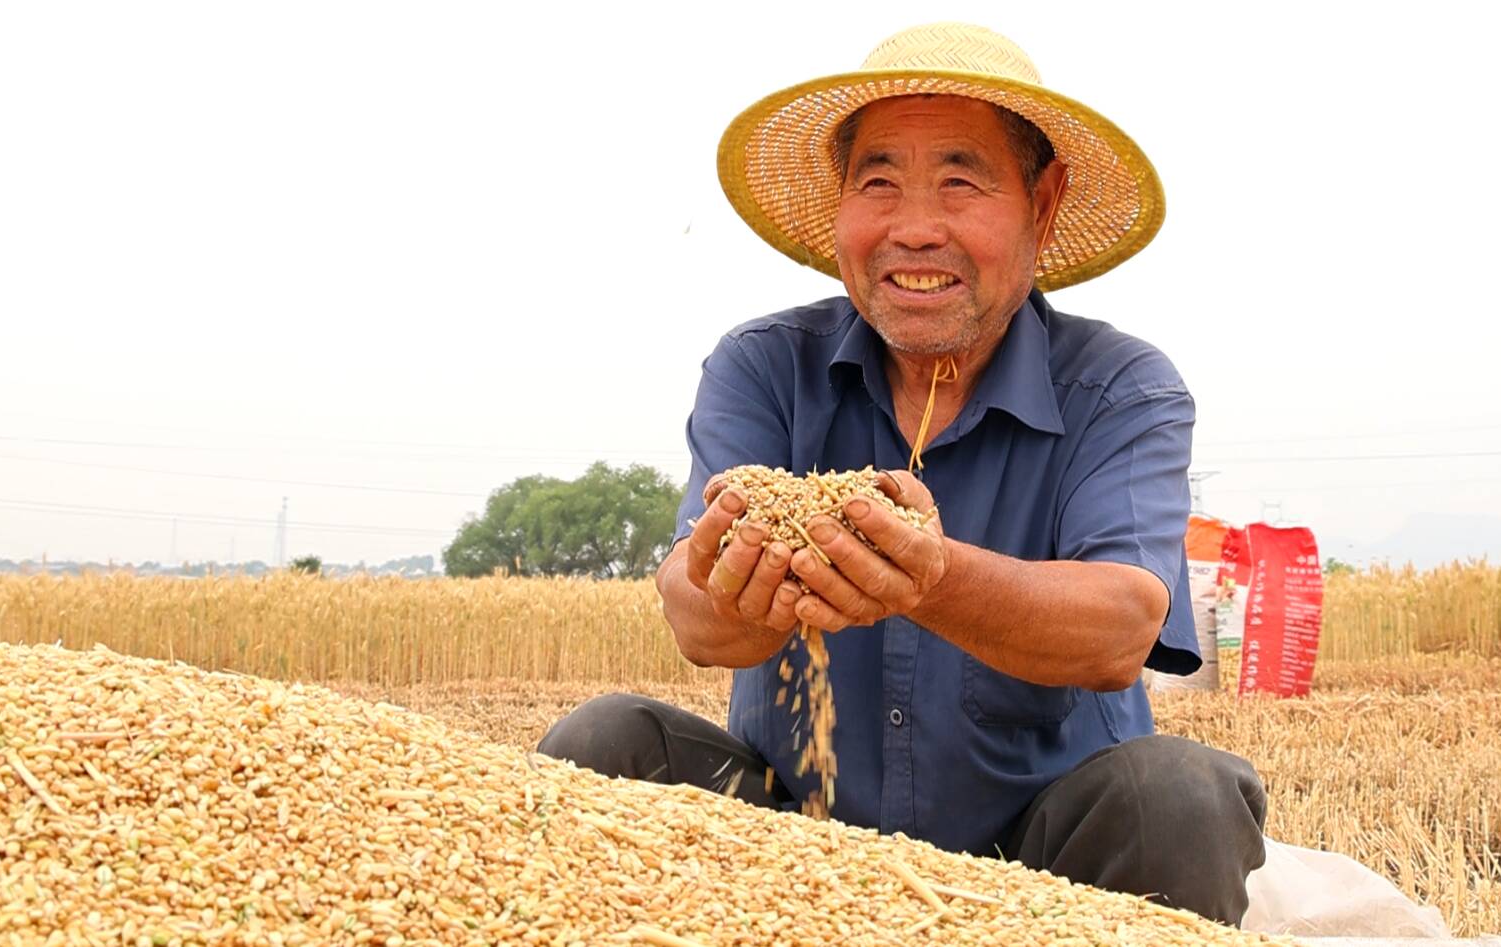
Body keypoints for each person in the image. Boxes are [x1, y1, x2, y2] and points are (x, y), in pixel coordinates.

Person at [538, 22, 1267, 925]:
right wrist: (738, 586)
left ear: (1043, 205)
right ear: (842, 208)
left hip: (1041, 874)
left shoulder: (1119, 387)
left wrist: (931, 575)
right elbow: (693, 616)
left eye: (962, 182)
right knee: (600, 745)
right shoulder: (766, 367)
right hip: (788, 854)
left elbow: (1121, 624)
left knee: (1179, 797)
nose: (915, 229)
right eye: (878, 182)